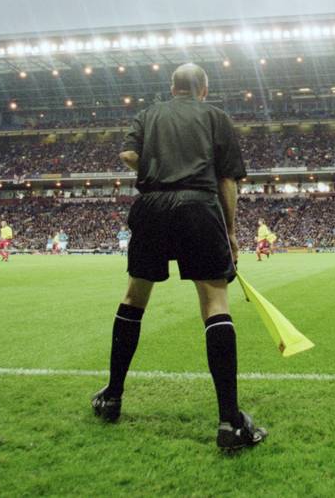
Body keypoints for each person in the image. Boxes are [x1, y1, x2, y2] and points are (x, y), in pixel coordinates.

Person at [91, 63, 266, 451]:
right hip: (197, 205)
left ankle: (112, 396)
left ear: (173, 88)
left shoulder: (148, 114)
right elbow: (226, 180)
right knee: (214, 301)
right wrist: (232, 233)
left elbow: (126, 153)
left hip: (151, 205)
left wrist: (155, 166)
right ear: (203, 88)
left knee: (135, 297)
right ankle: (229, 422)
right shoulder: (215, 116)